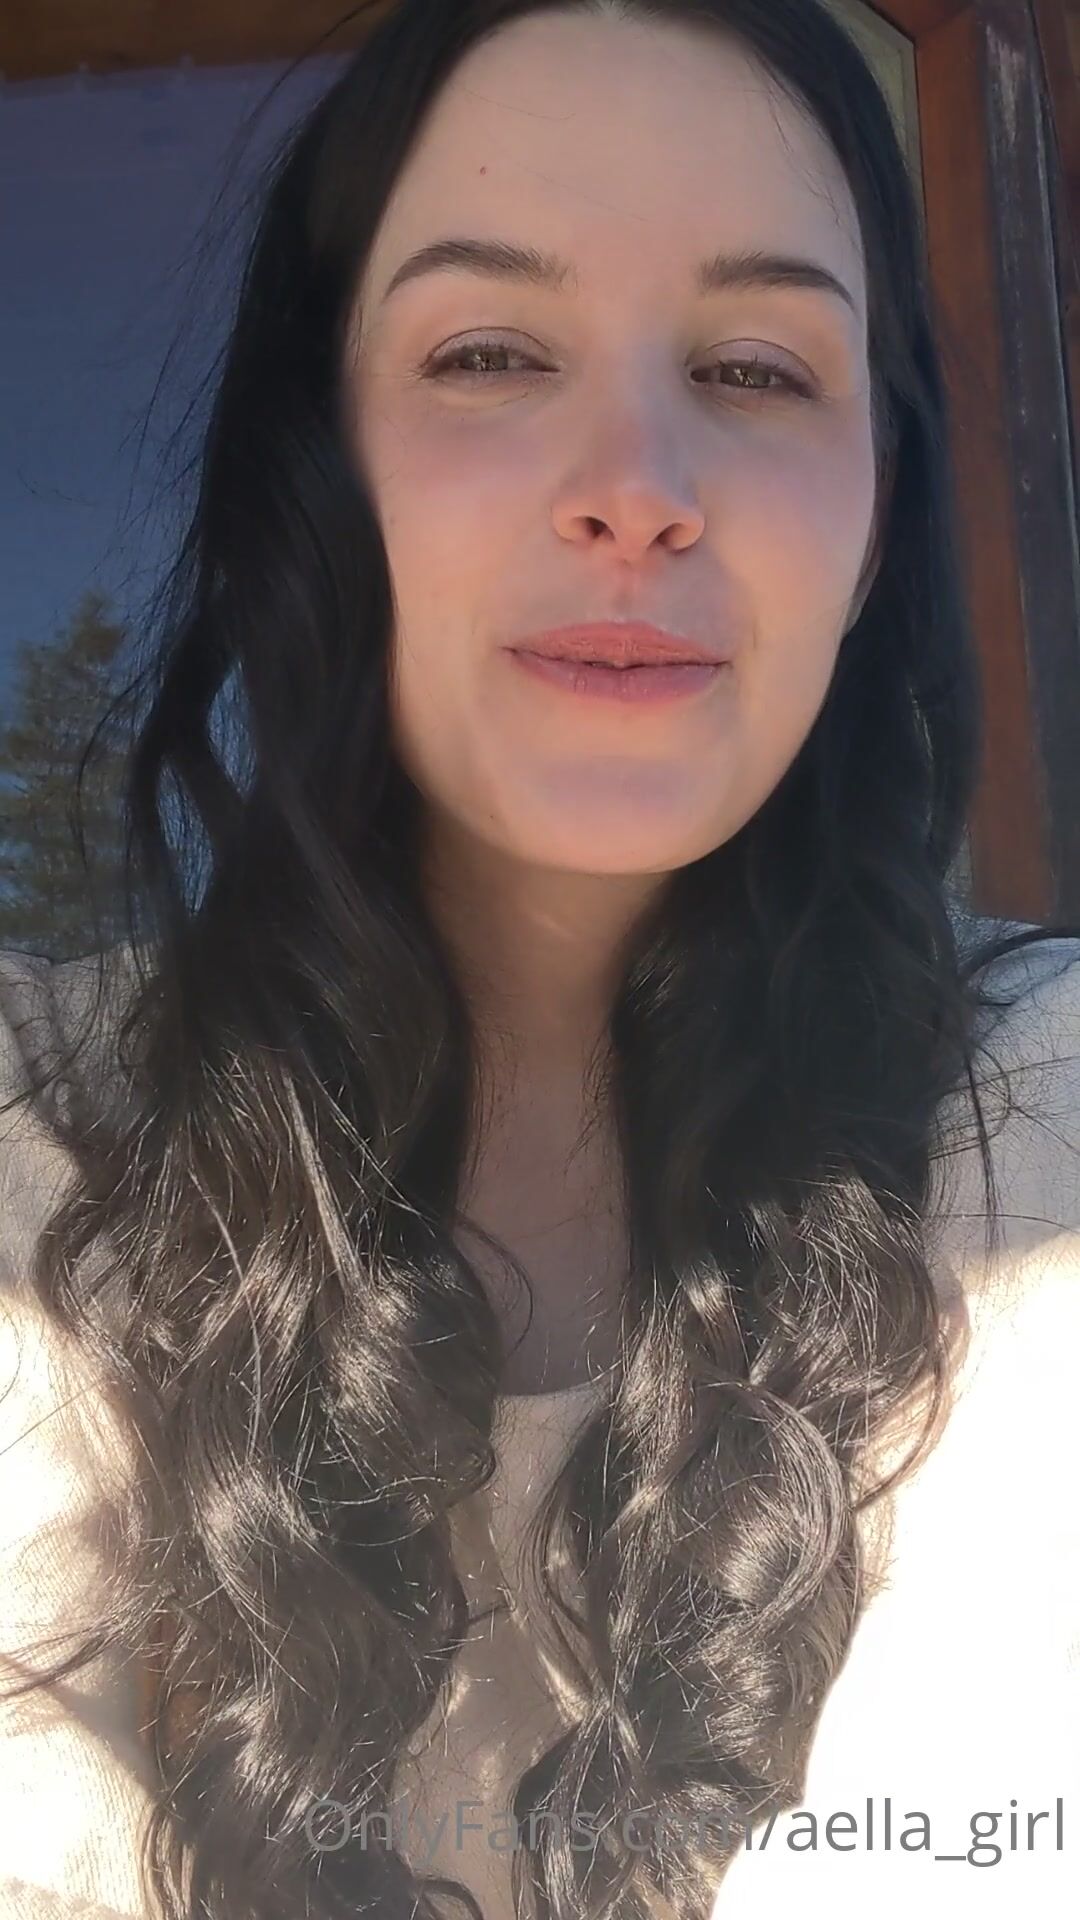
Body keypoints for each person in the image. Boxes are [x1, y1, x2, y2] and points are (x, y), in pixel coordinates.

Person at [1, 1, 1078, 1917]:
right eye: (488, 353)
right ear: (316, 475)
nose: (638, 481)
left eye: (755, 367)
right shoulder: (33, 1140)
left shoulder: (1050, 1122)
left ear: (872, 522)